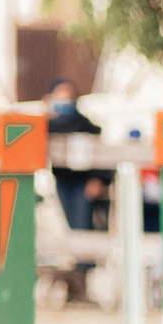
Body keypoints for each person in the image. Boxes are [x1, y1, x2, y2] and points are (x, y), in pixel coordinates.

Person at [43, 79, 107, 233]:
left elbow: (101, 153)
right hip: (62, 181)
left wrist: (98, 179)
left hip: (82, 182)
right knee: (71, 225)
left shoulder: (84, 124)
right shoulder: (49, 124)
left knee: (82, 226)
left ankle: (85, 258)